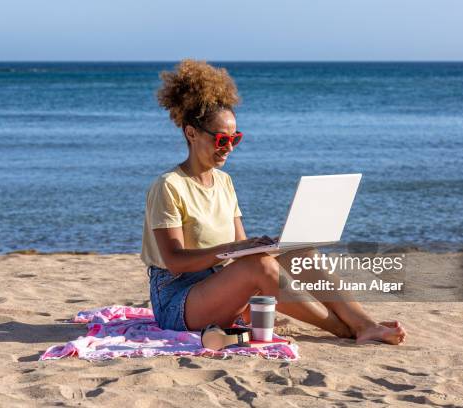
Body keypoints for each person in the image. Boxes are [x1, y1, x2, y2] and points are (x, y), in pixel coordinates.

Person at [141, 60, 406, 344]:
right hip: (178, 301)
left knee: (303, 254)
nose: (229, 147)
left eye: (235, 139)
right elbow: (175, 261)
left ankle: (363, 322)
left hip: (219, 289)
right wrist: (234, 249)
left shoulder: (224, 182)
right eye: (221, 139)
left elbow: (239, 256)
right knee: (260, 267)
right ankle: (344, 329)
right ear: (191, 133)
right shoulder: (169, 185)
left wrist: (270, 247)